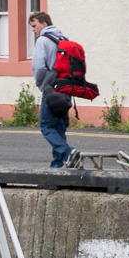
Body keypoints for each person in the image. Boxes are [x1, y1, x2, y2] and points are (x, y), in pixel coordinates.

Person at [29, 12, 81, 169]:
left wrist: (42, 85)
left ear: (44, 23)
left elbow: (39, 67)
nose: (33, 30)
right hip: (66, 88)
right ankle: (57, 165)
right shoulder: (63, 39)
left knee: (46, 126)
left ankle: (68, 152)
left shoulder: (42, 41)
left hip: (51, 89)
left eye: (34, 26)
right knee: (59, 126)